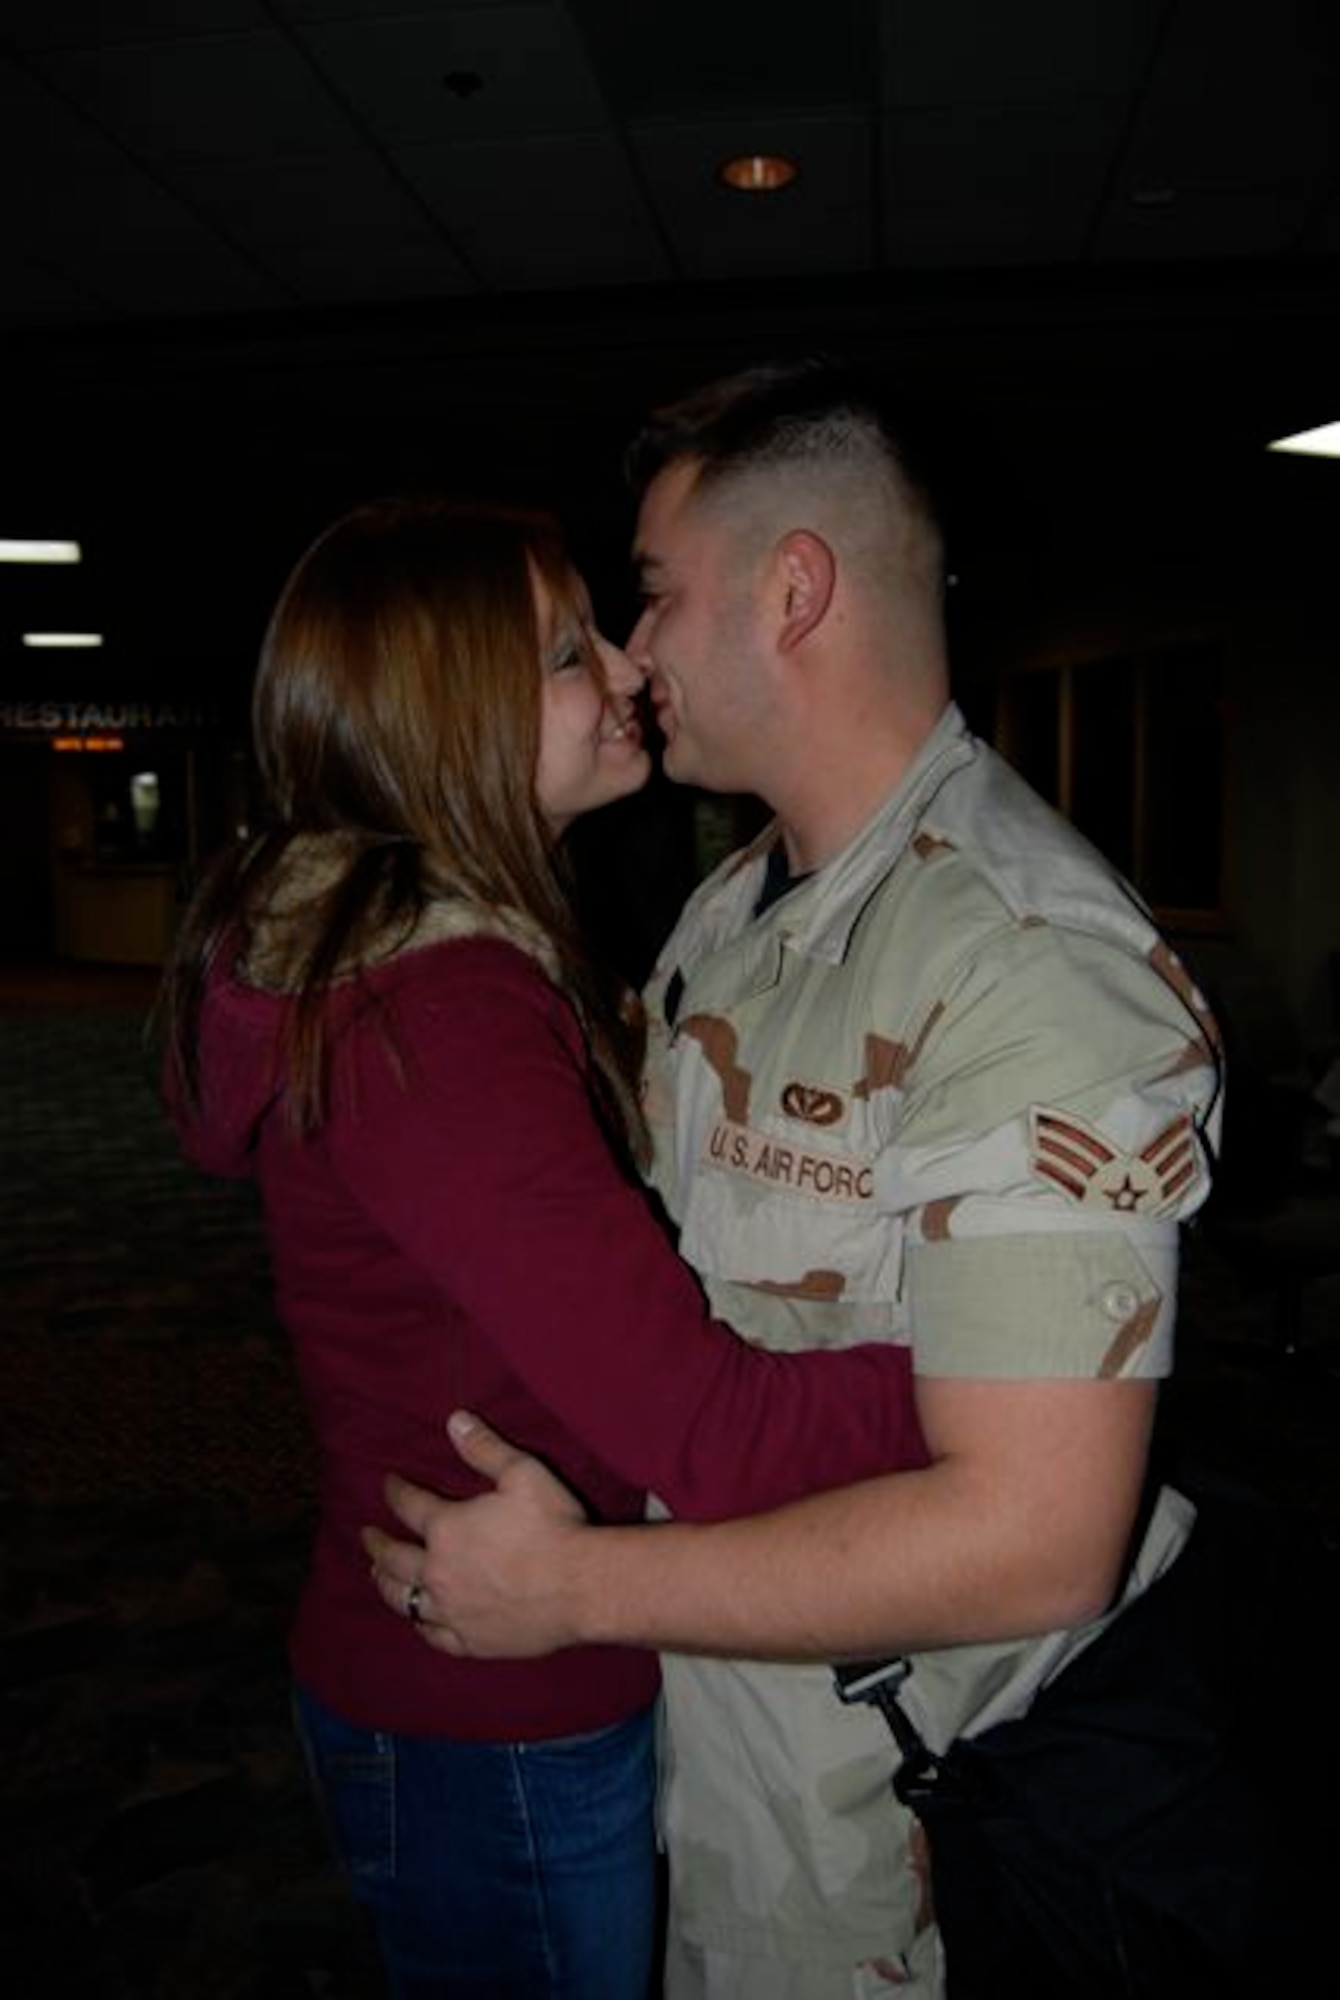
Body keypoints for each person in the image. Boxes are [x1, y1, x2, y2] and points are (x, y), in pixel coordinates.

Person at [363, 364, 1225, 1998]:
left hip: (896, 1839)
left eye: (654, 594)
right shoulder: (740, 904)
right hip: (724, 1771)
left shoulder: (1024, 961)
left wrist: (570, 1592)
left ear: (796, 588)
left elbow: (1040, 1538)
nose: (629, 658)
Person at [157, 494, 931, 2000]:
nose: (628, 668)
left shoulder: (411, 968)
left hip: (456, 1677)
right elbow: (705, 1428)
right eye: (565, 651)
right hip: (494, 1712)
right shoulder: (435, 1014)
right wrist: (998, 1400)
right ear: (452, 716)